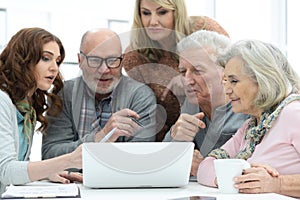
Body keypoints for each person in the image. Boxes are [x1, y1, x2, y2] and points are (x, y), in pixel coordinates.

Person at [197, 39, 300, 198]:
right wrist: (236, 179)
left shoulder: (293, 114)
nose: (227, 90)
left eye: (234, 81)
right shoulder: (250, 127)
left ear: (263, 79)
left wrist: (277, 184)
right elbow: (205, 167)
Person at [122, 0, 230, 141]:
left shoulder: (204, 28)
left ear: (176, 12)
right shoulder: (134, 55)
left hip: (215, 119)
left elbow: (230, 69)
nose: (153, 21)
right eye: (146, 13)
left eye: (162, 12)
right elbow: (148, 108)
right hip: (175, 129)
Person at [42, 28, 156, 161]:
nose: (104, 70)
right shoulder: (64, 94)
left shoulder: (140, 96)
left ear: (122, 60)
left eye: (112, 60)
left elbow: (138, 160)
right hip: (72, 182)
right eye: (95, 60)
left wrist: (78, 158)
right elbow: (50, 157)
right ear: (80, 61)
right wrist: (101, 137)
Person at [0, 27, 82, 194]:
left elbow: (19, 166)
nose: (54, 68)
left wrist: (46, 174)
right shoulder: (2, 101)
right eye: (46, 58)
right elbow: (6, 171)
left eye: (57, 61)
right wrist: (69, 160)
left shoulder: (26, 107)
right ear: (23, 59)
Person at [163, 30, 249, 176]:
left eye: (197, 71)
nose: (187, 80)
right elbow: (163, 161)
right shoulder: (192, 104)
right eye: (183, 71)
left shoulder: (247, 108)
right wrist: (174, 136)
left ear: (225, 72)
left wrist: (202, 167)